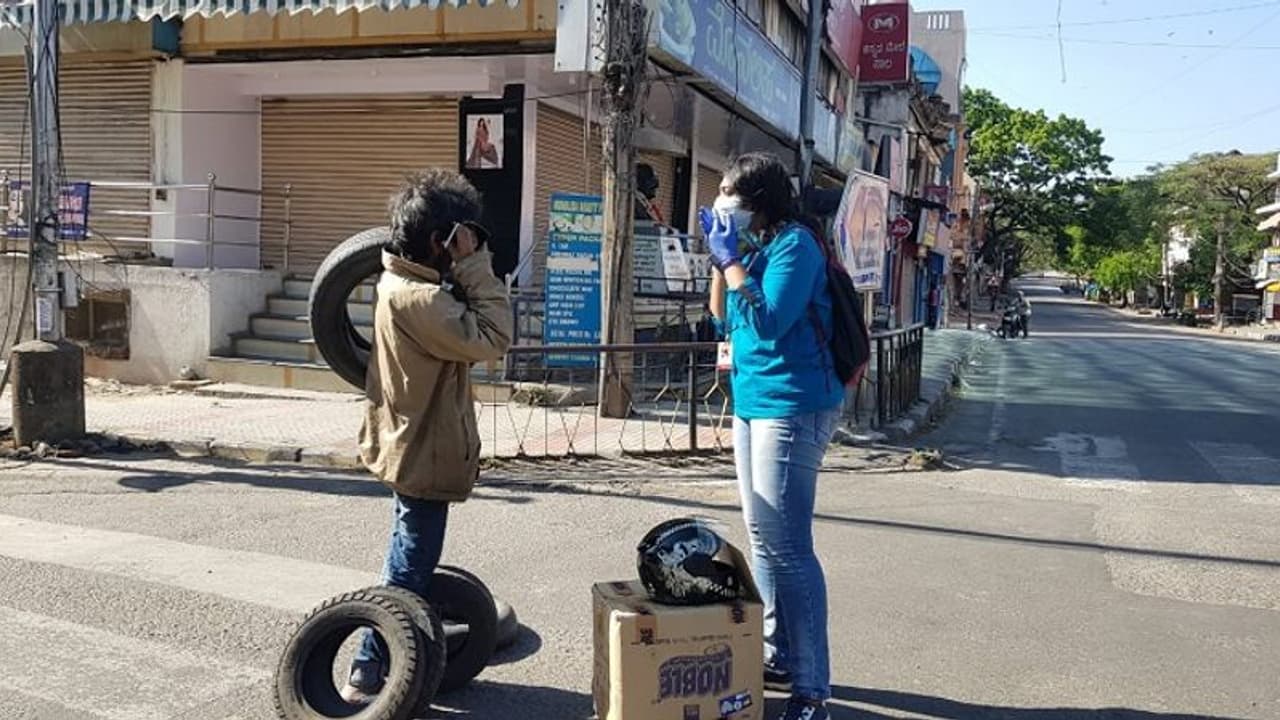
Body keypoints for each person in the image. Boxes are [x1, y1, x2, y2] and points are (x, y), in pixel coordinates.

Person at [342, 169, 513, 702]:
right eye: (460, 235)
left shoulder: (404, 281)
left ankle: (401, 648)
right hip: (423, 452)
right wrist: (475, 263)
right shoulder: (419, 299)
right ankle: (370, 670)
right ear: (441, 241)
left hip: (412, 442)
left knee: (407, 554)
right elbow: (494, 335)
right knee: (407, 569)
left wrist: (458, 265)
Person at [705, 152, 843, 720]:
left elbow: (768, 320)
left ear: (756, 200)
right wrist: (720, 262)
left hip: (795, 405)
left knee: (789, 547)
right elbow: (722, 320)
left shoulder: (795, 246)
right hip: (753, 402)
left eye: (728, 193)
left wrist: (732, 259)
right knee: (762, 539)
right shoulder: (755, 249)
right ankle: (776, 653)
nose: (720, 201)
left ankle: (813, 688)